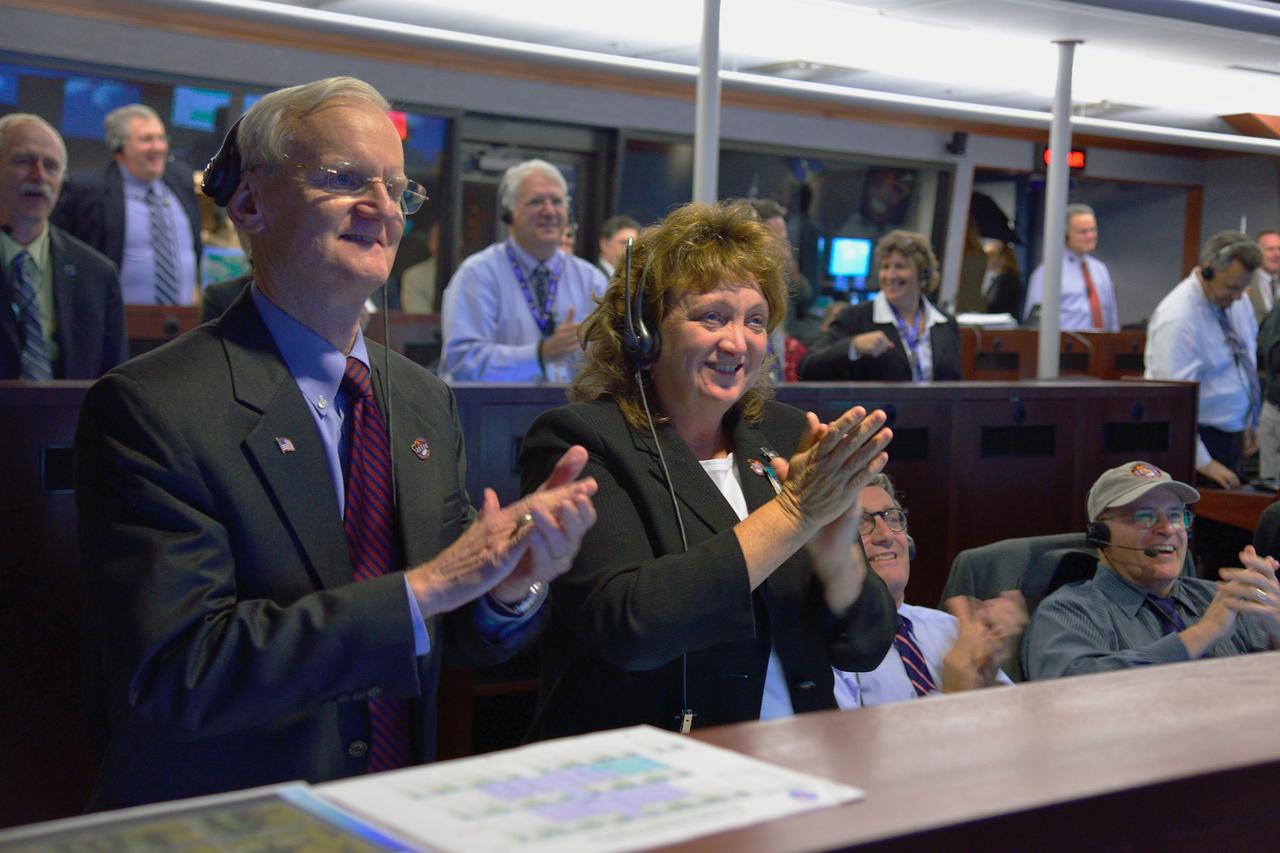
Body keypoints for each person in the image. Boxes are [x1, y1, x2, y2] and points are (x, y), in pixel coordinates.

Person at [74, 77, 598, 811]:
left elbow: (449, 634)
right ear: (250, 203)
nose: (382, 207)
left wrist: (509, 584)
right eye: (343, 179)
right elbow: (180, 670)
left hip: (393, 809)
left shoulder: (422, 400)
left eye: (395, 188)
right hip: (230, 819)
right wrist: (433, 584)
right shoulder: (149, 406)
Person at [518, 200, 897, 741]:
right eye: (712, 316)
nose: (737, 341)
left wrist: (834, 547)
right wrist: (796, 513)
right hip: (648, 774)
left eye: (756, 320)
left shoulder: (787, 435)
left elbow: (865, 646)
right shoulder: (578, 441)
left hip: (797, 761)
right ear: (645, 330)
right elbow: (630, 626)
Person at [1023, 461, 1280, 680]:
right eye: (1144, 516)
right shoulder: (1070, 610)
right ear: (1099, 534)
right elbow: (1074, 690)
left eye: (1176, 515)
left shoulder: (1217, 598)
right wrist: (1203, 633)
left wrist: (1276, 628)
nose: (1167, 528)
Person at [832, 473, 1023, 707]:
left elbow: (1015, 727)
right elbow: (853, 744)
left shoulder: (954, 630)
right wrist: (956, 697)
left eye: (892, 518)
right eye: (860, 521)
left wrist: (989, 679)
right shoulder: (830, 652)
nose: (885, 534)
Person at [439, 159, 606, 382]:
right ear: (509, 213)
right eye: (536, 201)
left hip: (569, 411)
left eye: (557, 201)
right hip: (495, 413)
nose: (549, 211)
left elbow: (608, 362)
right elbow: (462, 362)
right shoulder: (477, 275)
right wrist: (540, 354)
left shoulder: (591, 281)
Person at [0, 113, 124, 380]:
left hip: (66, 421)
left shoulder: (97, 274)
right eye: (24, 161)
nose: (39, 176)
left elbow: (113, 386)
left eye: (51, 166)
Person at [1144, 230, 1262, 489]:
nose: (1238, 297)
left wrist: (1251, 421)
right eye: (1232, 287)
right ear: (1208, 270)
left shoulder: (1235, 301)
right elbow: (1172, 402)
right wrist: (1202, 461)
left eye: (1244, 288)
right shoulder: (1178, 318)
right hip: (1196, 445)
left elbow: (1246, 361)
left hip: (1233, 436)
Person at [52, 104, 202, 306]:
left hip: (181, 324)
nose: (158, 147)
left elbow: (192, 250)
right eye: (147, 139)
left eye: (161, 138)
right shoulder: (88, 191)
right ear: (117, 147)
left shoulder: (181, 180)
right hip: (115, 324)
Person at [798, 230, 960, 382]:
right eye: (885, 267)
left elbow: (955, 385)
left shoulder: (945, 323)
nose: (890, 275)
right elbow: (807, 367)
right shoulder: (854, 317)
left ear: (923, 272)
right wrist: (853, 346)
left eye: (900, 266)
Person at [1022, 204, 1119, 332]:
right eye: (1083, 232)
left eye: (1093, 230)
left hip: (1101, 347)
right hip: (1064, 349)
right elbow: (1034, 325)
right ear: (1065, 235)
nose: (1090, 236)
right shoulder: (1048, 272)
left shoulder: (1100, 270)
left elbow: (1111, 318)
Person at [1245, 229, 1280, 323]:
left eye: (1279, 249)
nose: (1277, 254)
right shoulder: (1244, 283)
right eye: (1270, 249)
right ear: (1256, 252)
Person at [596, 214, 640, 280]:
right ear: (604, 244)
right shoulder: (591, 277)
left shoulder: (635, 279)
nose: (630, 249)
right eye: (624, 243)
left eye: (635, 244)